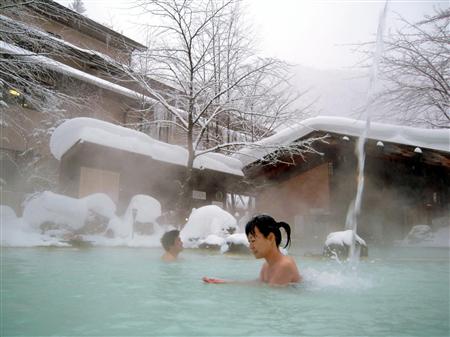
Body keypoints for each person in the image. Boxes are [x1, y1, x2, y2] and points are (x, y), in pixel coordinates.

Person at [203, 214, 301, 286]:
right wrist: (225, 282)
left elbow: (272, 298)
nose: (250, 246)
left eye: (253, 240)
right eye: (249, 241)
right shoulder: (267, 266)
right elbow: (259, 285)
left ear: (271, 238)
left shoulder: (284, 266)